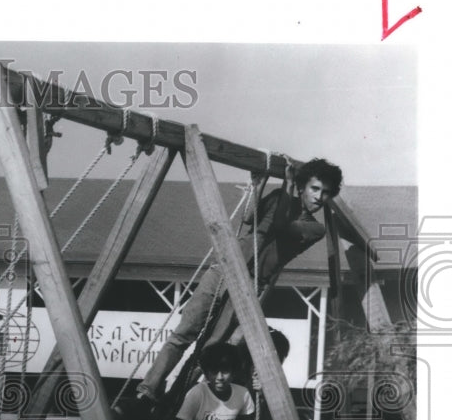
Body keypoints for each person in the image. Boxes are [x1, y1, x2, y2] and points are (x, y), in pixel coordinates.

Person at [137, 158, 343, 404]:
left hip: (250, 284)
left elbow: (280, 226)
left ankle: (174, 401)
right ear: (303, 187)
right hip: (224, 269)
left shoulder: (314, 228)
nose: (319, 197)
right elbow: (248, 218)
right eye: (315, 188)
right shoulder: (279, 197)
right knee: (183, 333)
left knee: (210, 348)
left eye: (325, 192)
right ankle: (148, 390)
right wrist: (258, 185)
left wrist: (287, 184)